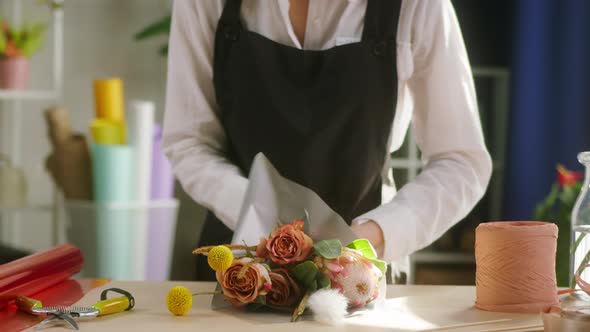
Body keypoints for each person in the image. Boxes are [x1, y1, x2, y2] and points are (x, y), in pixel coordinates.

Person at [163, 0, 492, 281]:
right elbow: (190, 142)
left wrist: (367, 238)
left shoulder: (418, 6)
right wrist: (257, 215)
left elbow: (461, 162)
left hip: (360, 273)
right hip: (238, 267)